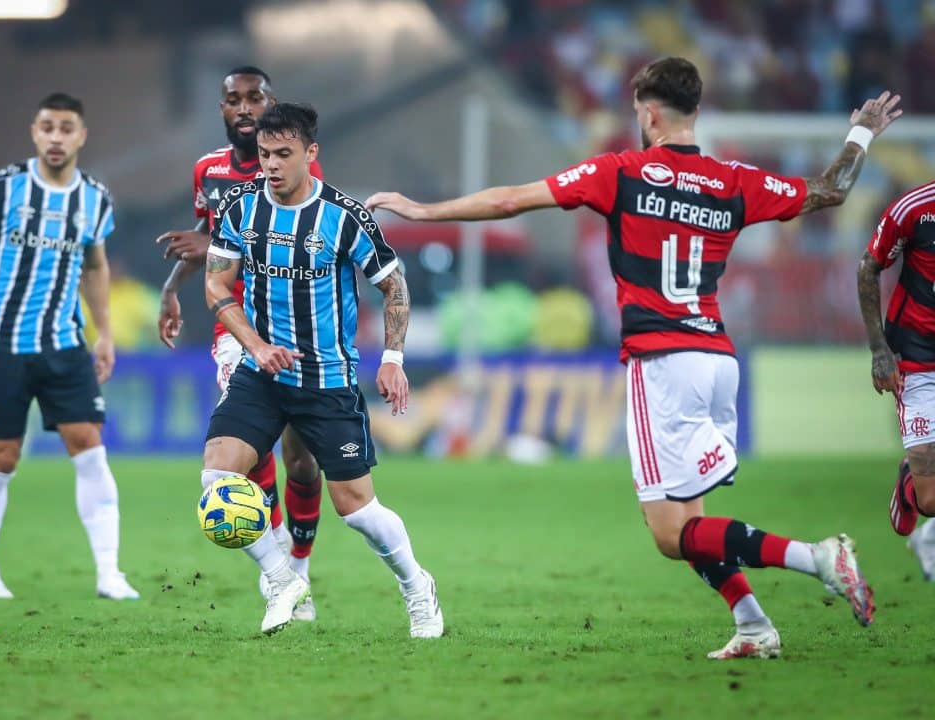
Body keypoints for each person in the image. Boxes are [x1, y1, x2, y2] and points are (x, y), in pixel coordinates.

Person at [366, 57, 902, 658]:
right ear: (695, 111)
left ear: (648, 114)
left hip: (661, 360)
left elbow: (511, 202)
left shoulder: (621, 172)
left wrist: (422, 211)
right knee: (689, 519)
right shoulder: (734, 180)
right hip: (718, 360)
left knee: (670, 535)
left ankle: (818, 557)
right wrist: (860, 133)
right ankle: (753, 625)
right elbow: (831, 190)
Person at [202, 102, 442, 638]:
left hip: (328, 381)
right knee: (217, 481)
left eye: (283, 154)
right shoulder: (241, 209)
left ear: (311, 153)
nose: (271, 165)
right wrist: (256, 345)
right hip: (261, 375)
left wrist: (393, 359)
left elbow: (393, 284)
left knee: (356, 509)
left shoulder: (344, 215)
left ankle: (416, 585)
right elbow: (216, 284)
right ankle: (282, 576)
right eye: (264, 154)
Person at [0, 92, 139, 602]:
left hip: (65, 344)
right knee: (1, 457)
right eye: (47, 127)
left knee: (90, 450)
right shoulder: (1, 188)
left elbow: (95, 267)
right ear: (35, 132)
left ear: (81, 135)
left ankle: (109, 573)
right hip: (2, 344)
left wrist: (105, 334)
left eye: (66, 127)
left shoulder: (94, 198)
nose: (56, 137)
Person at [156, 66, 324, 619]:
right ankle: (278, 567)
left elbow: (286, 237)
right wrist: (172, 290)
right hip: (236, 326)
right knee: (249, 448)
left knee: (302, 459)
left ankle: (298, 563)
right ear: (223, 109)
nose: (245, 108)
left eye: (255, 98)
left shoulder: (295, 167)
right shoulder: (207, 170)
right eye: (234, 100)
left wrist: (206, 243)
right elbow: (207, 245)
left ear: (271, 103)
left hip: (294, 321)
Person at [856, 178, 935, 579]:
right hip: (917, 353)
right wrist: (878, 351)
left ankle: (931, 538)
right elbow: (868, 268)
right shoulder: (915, 210)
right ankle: (911, 483)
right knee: (931, 498)